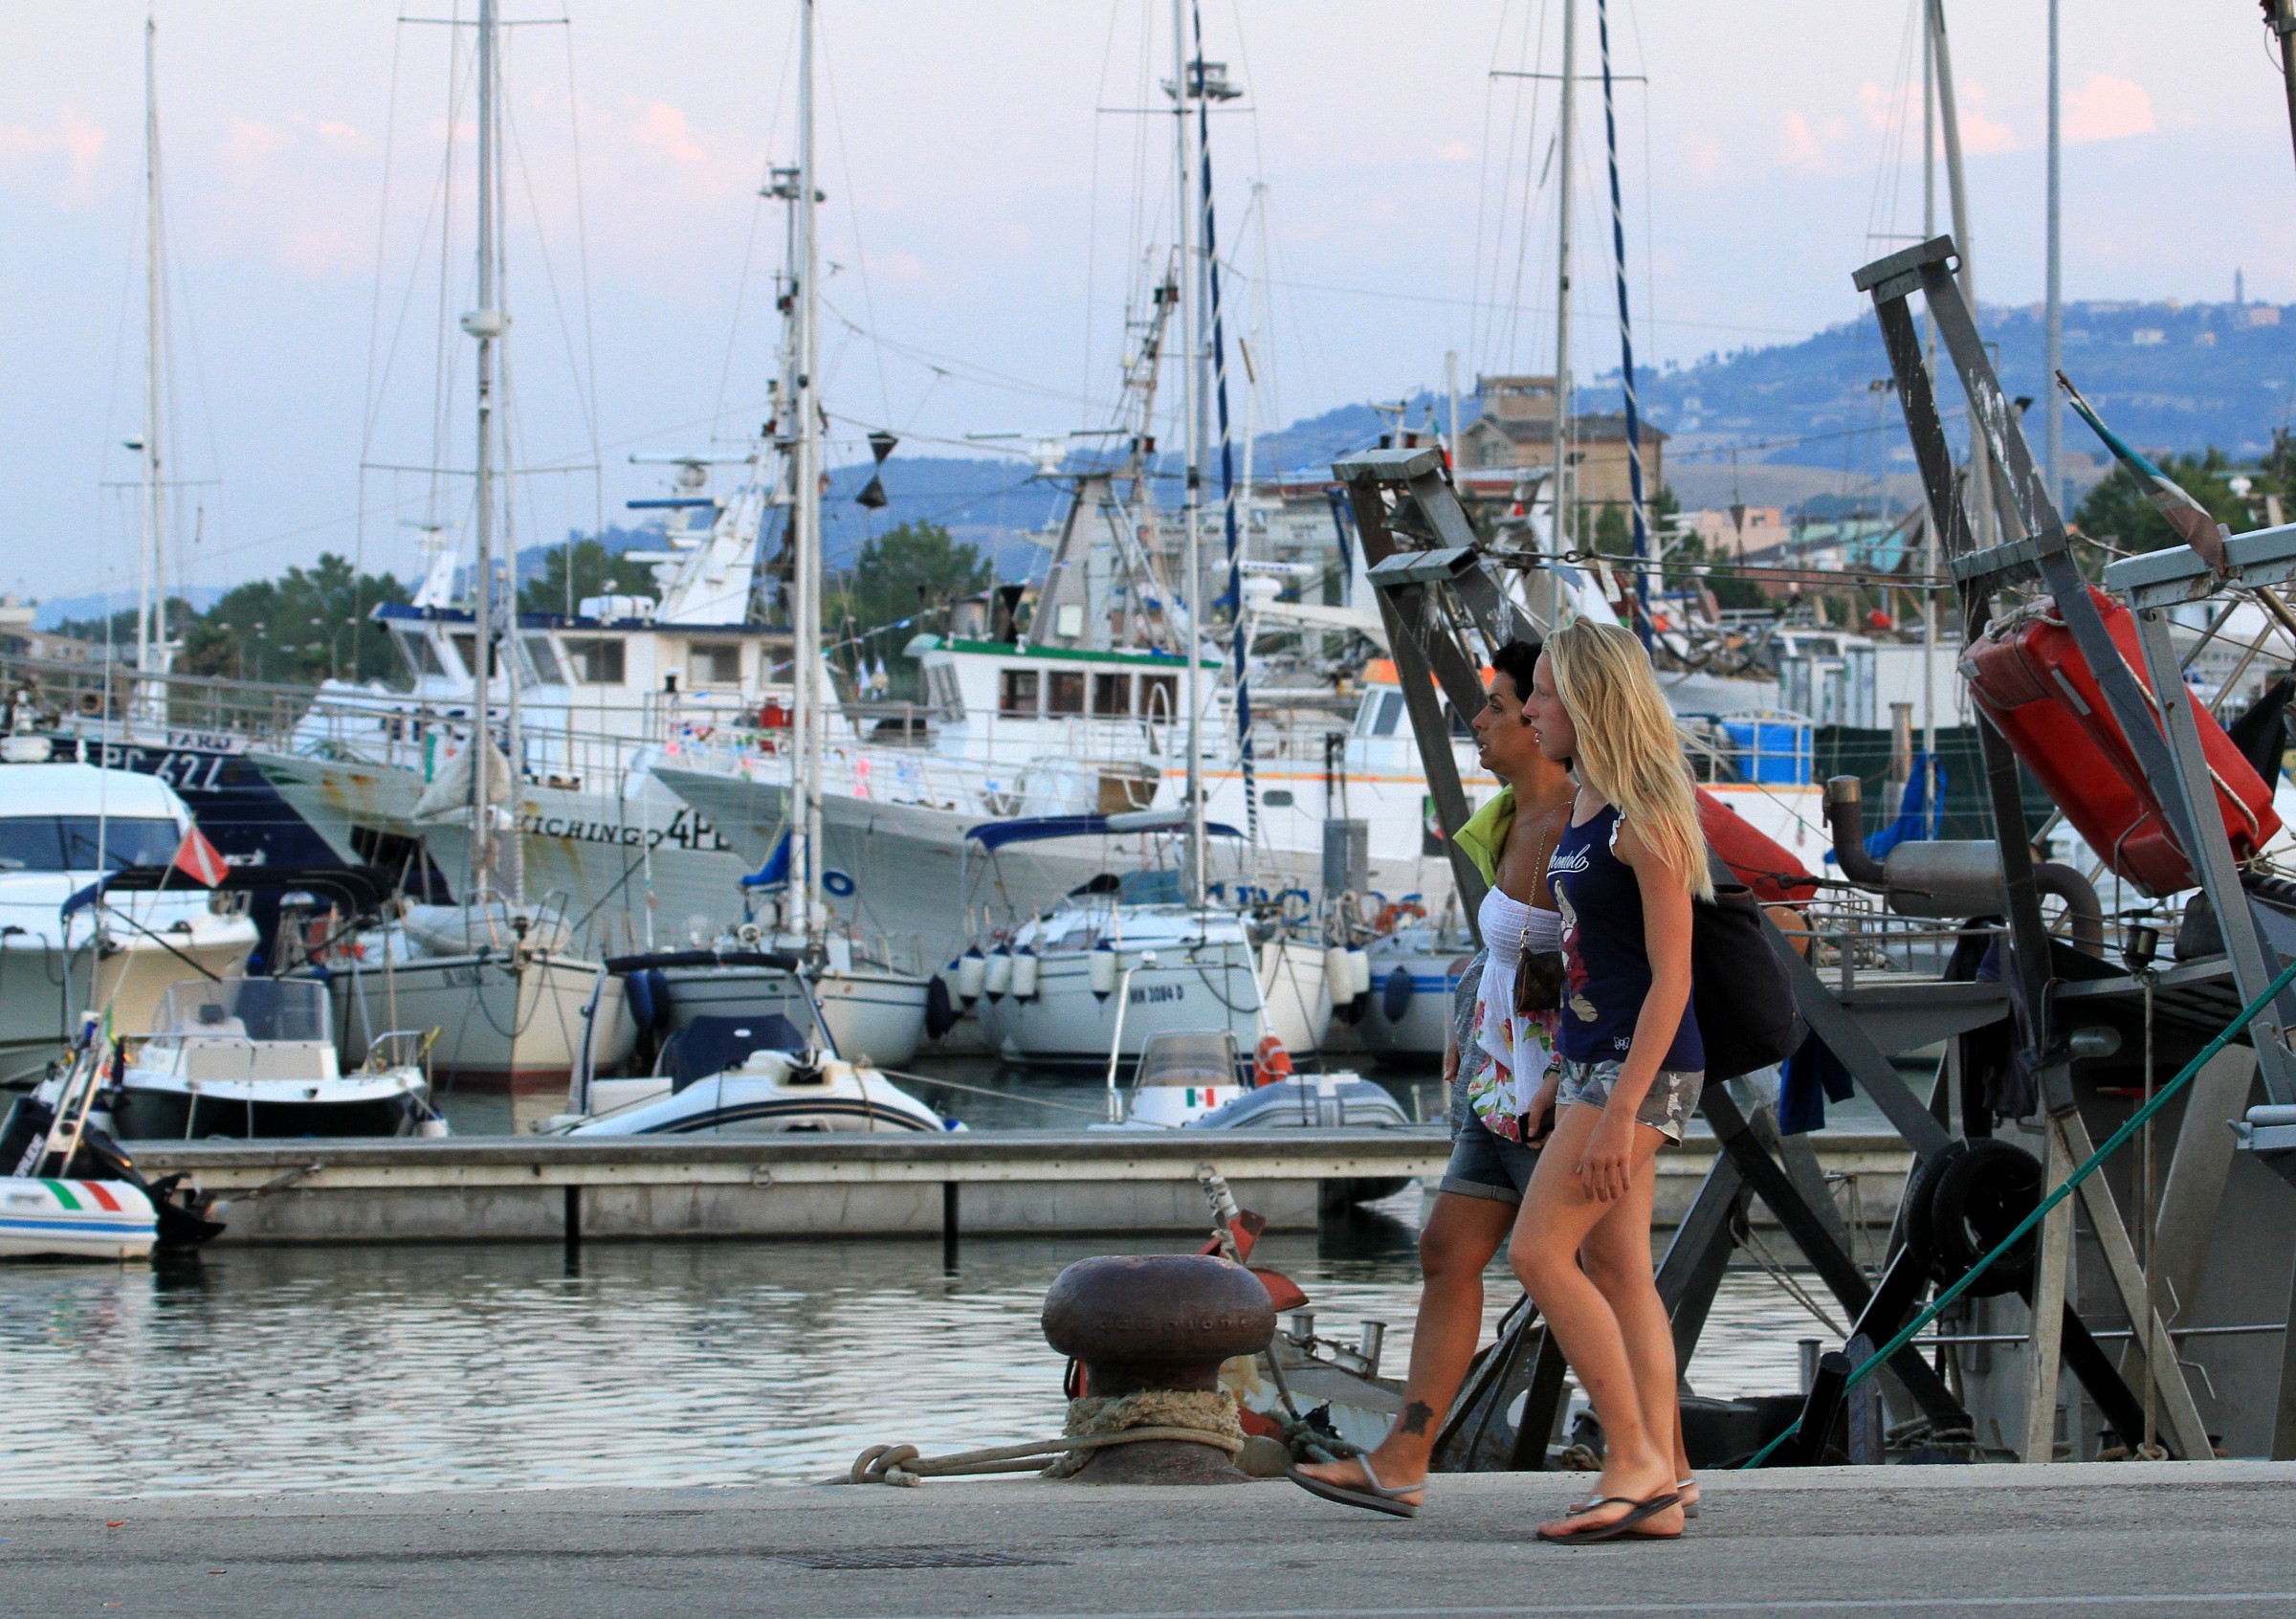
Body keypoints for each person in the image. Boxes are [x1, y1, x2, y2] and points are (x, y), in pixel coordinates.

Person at [1289, 638, 1576, 1518]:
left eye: (1497, 707)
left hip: (1553, 1099)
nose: (1481, 722)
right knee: (1447, 1250)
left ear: (1539, 718)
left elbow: (1606, 971)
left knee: (1597, 1283)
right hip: (1494, 1086)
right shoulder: (1506, 822)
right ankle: (1406, 1455)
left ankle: (1653, 1461)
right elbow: (1501, 952)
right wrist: (1465, 1017)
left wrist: (1562, 1077)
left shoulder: (1582, 830)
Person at [1512, 618, 1709, 1544]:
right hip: (1596, 1065)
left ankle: (1631, 1461)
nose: (1528, 707)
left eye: (1545, 691)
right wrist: (1558, 1073)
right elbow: (1591, 958)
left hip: (1647, 1071)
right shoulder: (1588, 799)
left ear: (1590, 698)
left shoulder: (1647, 811)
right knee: (1619, 1266)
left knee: (1539, 1253)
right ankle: (1666, 1472)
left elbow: (1674, 976)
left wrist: (1620, 1106)